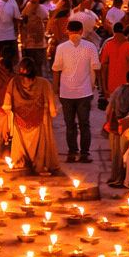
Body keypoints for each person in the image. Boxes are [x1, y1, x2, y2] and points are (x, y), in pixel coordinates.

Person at [52, 19, 101, 163]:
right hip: (85, 92)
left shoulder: (61, 48)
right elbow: (96, 67)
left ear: (68, 31)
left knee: (70, 125)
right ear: (81, 31)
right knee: (84, 124)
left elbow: (56, 69)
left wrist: (56, 88)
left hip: (66, 93)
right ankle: (85, 153)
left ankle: (72, 153)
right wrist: (95, 84)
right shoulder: (90, 46)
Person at [5, 55, 60, 175]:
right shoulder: (44, 83)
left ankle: (21, 162)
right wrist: (52, 111)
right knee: (40, 148)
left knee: (20, 148)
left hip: (19, 124)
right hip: (39, 122)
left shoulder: (13, 82)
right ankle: (40, 165)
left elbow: (6, 105)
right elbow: (52, 111)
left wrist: (8, 125)